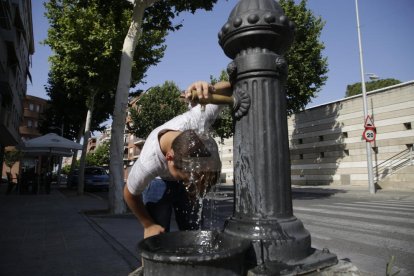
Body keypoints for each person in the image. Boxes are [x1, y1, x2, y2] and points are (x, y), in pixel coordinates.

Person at [124, 80, 231, 239]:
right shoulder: (148, 163)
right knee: (158, 237)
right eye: (188, 180)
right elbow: (129, 194)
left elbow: (229, 88)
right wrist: (148, 225)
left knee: (194, 233)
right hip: (158, 183)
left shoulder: (198, 120)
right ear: (169, 158)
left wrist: (211, 88)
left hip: (181, 168)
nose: (190, 185)